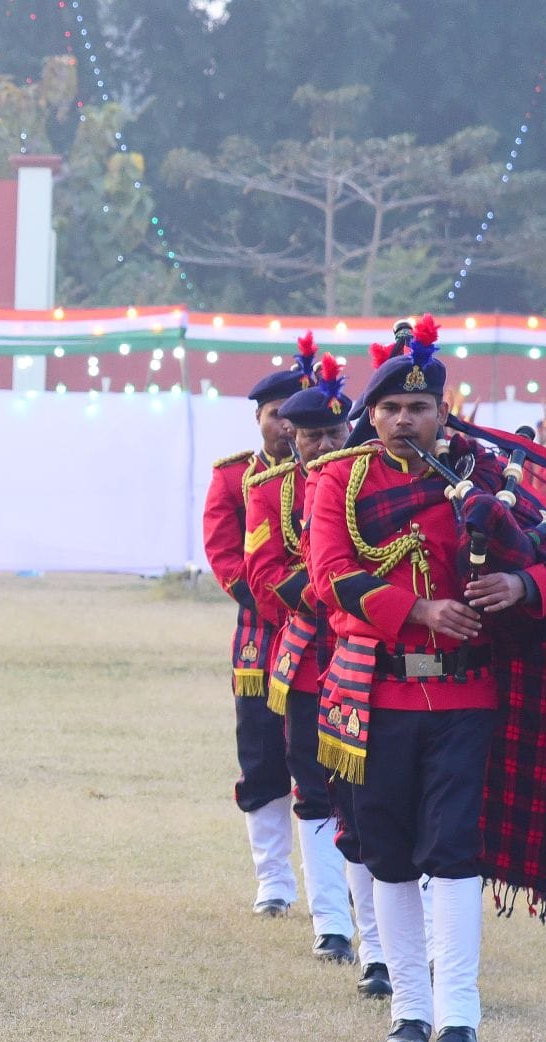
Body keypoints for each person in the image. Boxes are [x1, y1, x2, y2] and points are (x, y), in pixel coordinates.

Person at [306, 315, 546, 1042]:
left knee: (452, 850)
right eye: (390, 409)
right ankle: (409, 1009)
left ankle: (460, 1017)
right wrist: (415, 609)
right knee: (389, 852)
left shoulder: (486, 479)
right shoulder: (338, 483)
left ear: (443, 411)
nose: (405, 420)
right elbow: (329, 577)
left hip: (466, 698)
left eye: (419, 408)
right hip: (373, 697)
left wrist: (518, 581)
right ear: (370, 415)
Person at [244, 356, 375, 977]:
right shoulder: (268, 491)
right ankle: (331, 923)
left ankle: (378, 923)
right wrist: (334, 589)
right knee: (315, 793)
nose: (324, 444)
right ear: (290, 440)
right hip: (304, 660)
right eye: (311, 436)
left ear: (347, 431)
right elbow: (263, 573)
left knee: (376, 792)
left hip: (370, 654)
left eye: (333, 434)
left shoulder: (372, 480)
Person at [205, 337, 309, 917]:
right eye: (277, 418)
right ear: (259, 420)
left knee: (332, 760)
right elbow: (227, 561)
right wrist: (287, 610)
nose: (289, 430)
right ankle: (273, 882)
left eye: (298, 418)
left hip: (330, 641)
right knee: (264, 758)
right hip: (262, 641)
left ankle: (341, 883)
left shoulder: (338, 475)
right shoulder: (232, 479)